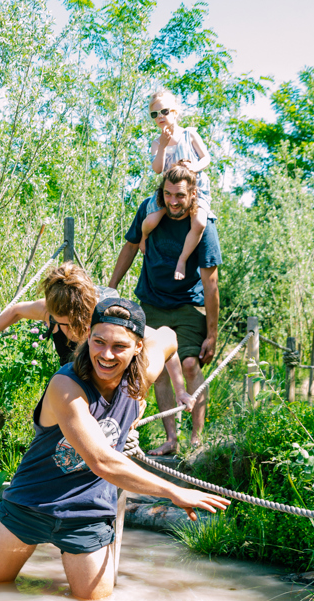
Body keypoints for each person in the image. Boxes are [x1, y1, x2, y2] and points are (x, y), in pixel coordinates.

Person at [0, 298, 229, 601]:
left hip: (88, 513)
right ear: (87, 337)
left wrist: (149, 403)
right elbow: (101, 460)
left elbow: (169, 336)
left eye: (120, 346)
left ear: (138, 347)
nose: (106, 355)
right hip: (29, 503)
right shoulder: (65, 385)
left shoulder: (142, 373)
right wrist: (174, 491)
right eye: (98, 341)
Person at [0, 262, 193, 410]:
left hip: (111, 389)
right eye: (55, 319)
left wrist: (179, 390)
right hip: (74, 385)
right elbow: (16, 311)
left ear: (83, 313)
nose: (60, 326)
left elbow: (165, 343)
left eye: (66, 322)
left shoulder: (106, 317)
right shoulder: (52, 308)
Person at [108, 162, 222, 455]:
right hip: (152, 301)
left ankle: (197, 439)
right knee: (156, 371)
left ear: (192, 193)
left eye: (180, 196)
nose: (173, 201)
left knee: (189, 364)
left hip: (188, 304)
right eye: (168, 194)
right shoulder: (150, 209)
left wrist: (212, 334)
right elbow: (131, 246)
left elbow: (211, 283)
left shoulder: (204, 224)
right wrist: (111, 288)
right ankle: (171, 439)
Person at [140, 90, 212, 282]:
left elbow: (207, 158)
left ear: (174, 112)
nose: (159, 117)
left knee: (199, 223)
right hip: (169, 193)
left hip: (194, 191)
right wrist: (162, 147)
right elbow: (157, 169)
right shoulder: (157, 142)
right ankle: (143, 238)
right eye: (154, 114)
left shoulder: (190, 134)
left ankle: (182, 259)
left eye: (163, 111)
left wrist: (193, 168)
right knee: (151, 220)